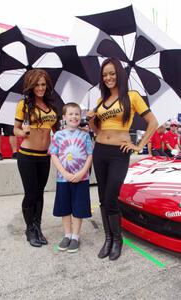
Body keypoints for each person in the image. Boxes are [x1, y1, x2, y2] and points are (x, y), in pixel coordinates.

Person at [87, 57, 158, 261]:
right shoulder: (101, 101)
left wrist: (139, 145)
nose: (108, 77)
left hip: (120, 153)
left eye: (112, 73)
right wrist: (92, 122)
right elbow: (97, 129)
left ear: (119, 73)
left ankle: (117, 239)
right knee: (102, 197)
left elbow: (152, 122)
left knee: (111, 196)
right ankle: (108, 238)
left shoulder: (132, 96)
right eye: (105, 74)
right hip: (99, 150)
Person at [14, 69, 59, 247]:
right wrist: (22, 131)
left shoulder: (52, 107)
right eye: (37, 85)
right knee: (30, 194)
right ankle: (29, 229)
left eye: (43, 84)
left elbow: (58, 132)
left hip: (44, 157)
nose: (40, 88)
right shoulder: (23, 105)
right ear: (31, 86)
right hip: (27, 156)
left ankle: (37, 227)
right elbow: (15, 129)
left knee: (39, 193)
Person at [49, 102, 93, 253]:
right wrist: (65, 173)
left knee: (78, 208)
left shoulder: (85, 135)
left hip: (81, 178)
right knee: (65, 208)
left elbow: (89, 155)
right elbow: (53, 155)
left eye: (77, 114)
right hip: (63, 178)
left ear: (80, 116)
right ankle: (67, 234)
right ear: (64, 117)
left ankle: (75, 236)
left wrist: (82, 173)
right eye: (71, 114)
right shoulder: (58, 135)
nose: (74, 117)